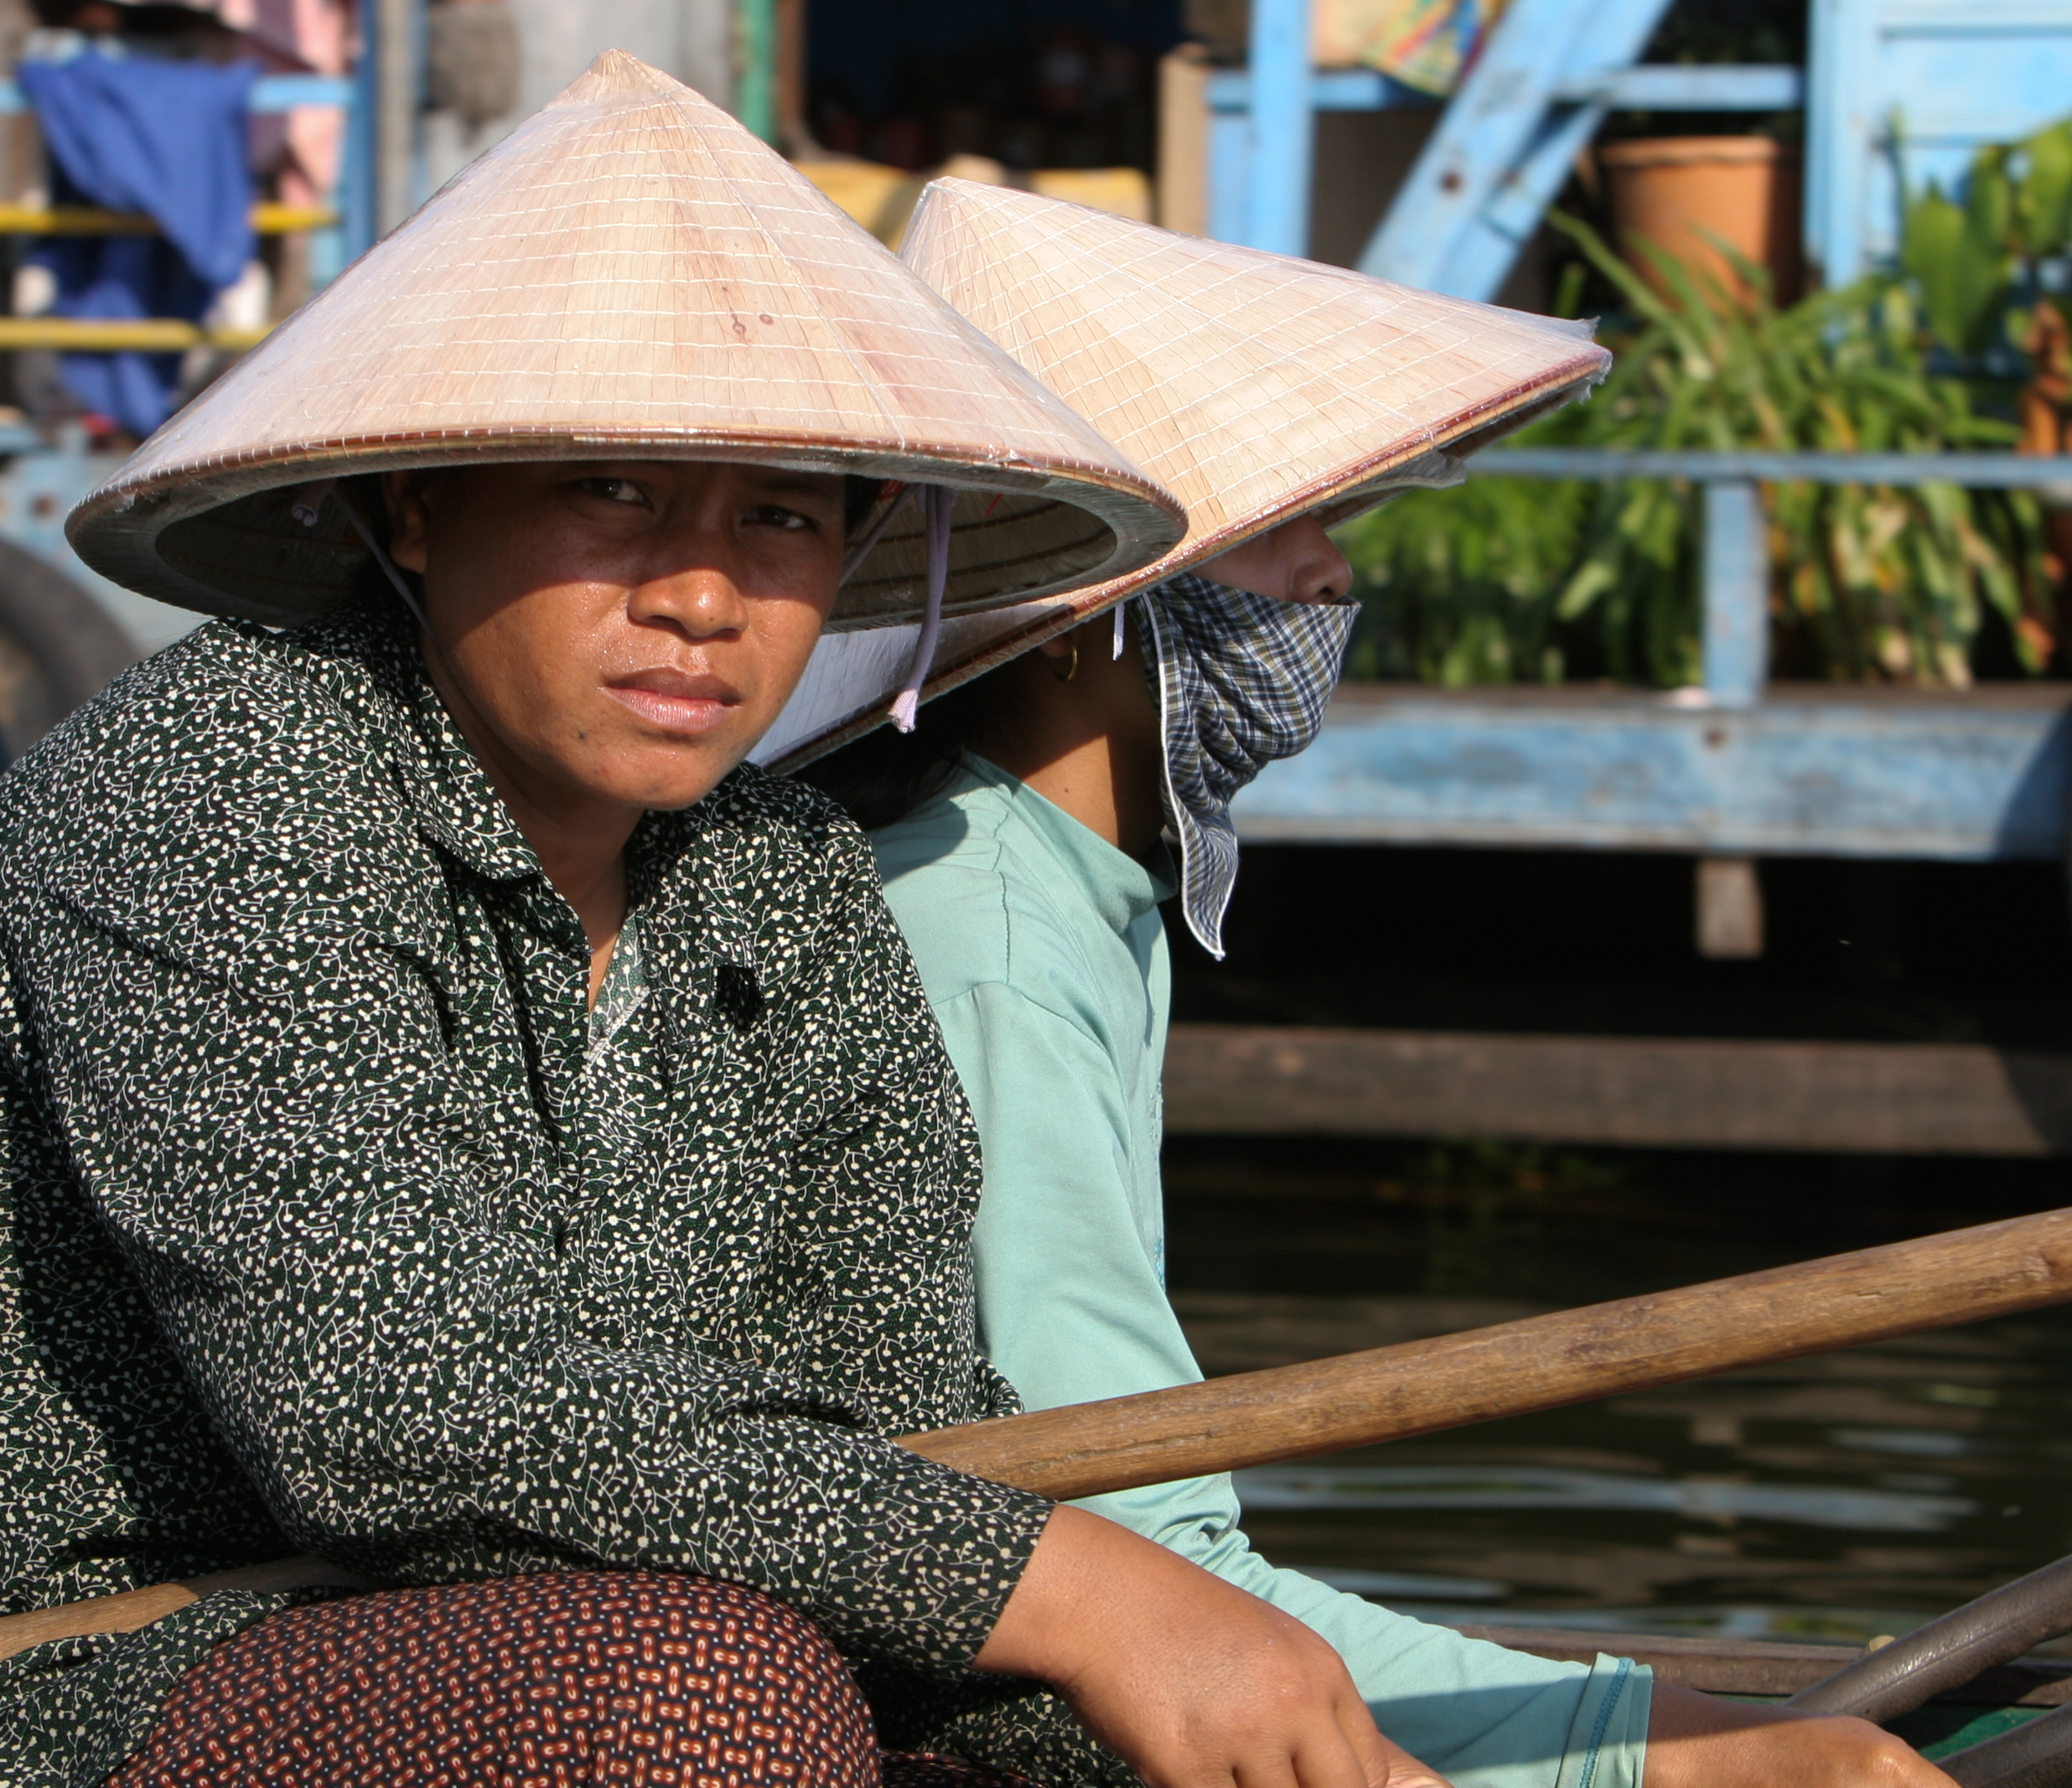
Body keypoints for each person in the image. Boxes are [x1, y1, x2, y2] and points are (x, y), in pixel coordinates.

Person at [0, 59, 1469, 1788]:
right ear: (416, 502)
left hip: (477, 1638)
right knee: (700, 1694)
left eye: (779, 518)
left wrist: (1205, 1702)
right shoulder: (217, 780)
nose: (701, 595)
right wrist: (1078, 1588)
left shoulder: (786, 887)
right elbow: (399, 1402)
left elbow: (890, 1438)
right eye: (613, 493)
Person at [795, 179, 1965, 1788]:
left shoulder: (1074, 891)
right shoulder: (988, 940)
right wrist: (1664, 1752)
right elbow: (1149, 1561)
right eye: (1287, 530)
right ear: (1089, 603)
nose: (1335, 580)